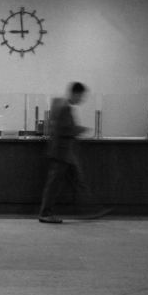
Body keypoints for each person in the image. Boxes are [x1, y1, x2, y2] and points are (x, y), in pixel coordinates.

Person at [38, 82, 112, 223]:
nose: (82, 100)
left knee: (74, 182)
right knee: (57, 185)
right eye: (81, 96)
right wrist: (81, 130)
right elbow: (65, 129)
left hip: (62, 152)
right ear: (75, 93)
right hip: (62, 153)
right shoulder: (65, 108)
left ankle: (91, 210)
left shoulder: (59, 104)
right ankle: (46, 213)